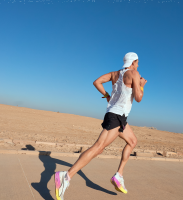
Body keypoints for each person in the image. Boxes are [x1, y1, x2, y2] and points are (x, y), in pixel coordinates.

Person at [54, 52, 147, 200]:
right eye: (138, 62)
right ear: (134, 62)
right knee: (98, 147)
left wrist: (107, 96)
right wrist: (141, 86)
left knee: (132, 141)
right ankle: (66, 176)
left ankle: (119, 175)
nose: (138, 65)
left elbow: (96, 82)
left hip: (118, 116)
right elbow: (138, 98)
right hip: (116, 117)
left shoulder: (115, 74)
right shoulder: (134, 74)